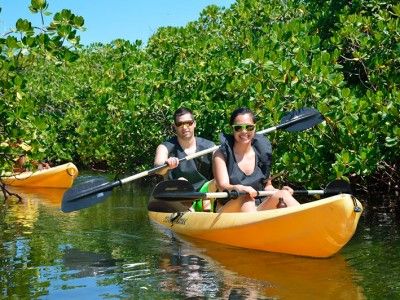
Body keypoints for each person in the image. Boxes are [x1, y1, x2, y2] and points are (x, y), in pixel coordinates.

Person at [212, 107, 300, 212]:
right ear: (232, 129)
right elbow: (223, 186)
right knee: (246, 199)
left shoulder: (262, 153)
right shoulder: (220, 154)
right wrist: (240, 188)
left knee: (283, 194)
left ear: (255, 128)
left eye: (249, 127)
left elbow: (268, 187)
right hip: (229, 209)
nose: (244, 131)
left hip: (257, 207)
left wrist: (277, 191)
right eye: (238, 128)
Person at [154, 107, 216, 211]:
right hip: (178, 197)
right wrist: (166, 164)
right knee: (182, 182)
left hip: (205, 195)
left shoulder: (210, 146)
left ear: (194, 124)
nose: (185, 127)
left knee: (218, 181)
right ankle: (189, 212)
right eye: (180, 124)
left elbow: (224, 167)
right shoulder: (165, 147)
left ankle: (209, 210)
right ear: (175, 126)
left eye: (189, 123)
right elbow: (158, 168)